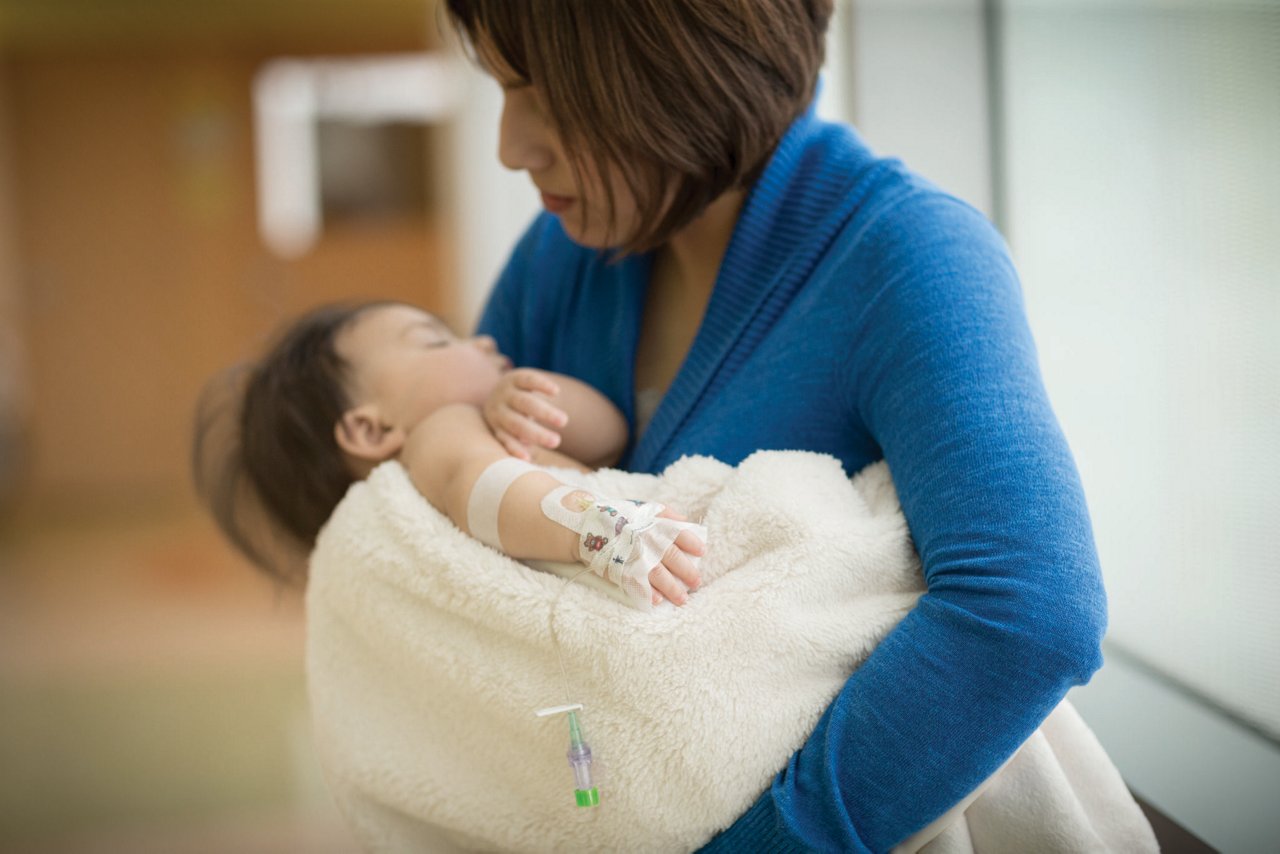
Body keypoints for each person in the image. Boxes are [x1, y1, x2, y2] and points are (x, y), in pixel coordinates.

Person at [443, 1, 1108, 851]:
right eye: (502, 86)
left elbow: (1030, 612)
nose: (511, 147)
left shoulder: (906, 255)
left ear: (685, 66)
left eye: (545, 91)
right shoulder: (559, 257)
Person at [192, 300, 705, 608]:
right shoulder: (437, 437)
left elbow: (611, 435)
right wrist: (601, 531)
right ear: (373, 429)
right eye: (436, 342)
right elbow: (481, 490)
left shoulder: (487, 419)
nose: (480, 339)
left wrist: (540, 397)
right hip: (625, 554)